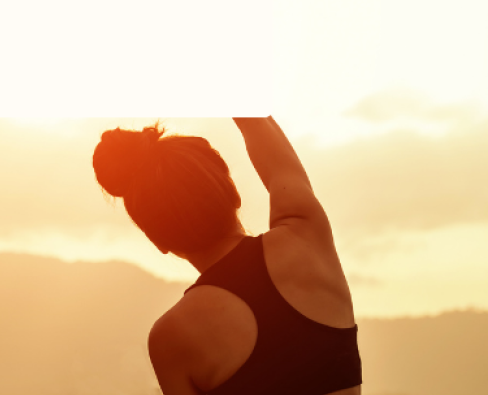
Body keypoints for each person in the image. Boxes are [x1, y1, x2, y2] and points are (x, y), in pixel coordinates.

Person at [91, 117, 361, 395]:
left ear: (157, 241)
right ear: (234, 192)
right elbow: (256, 123)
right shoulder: (305, 237)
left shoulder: (171, 338)